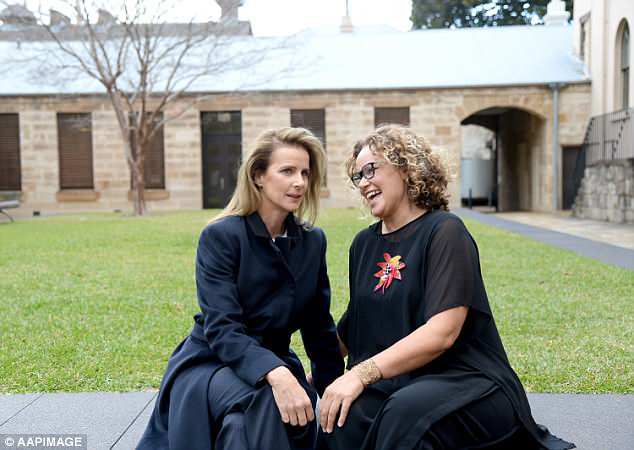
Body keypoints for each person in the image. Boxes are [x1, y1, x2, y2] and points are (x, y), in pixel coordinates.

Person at [319, 125, 575, 450]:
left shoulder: (445, 231)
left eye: (372, 169)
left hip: (466, 379)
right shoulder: (363, 244)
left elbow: (442, 333)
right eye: (358, 175)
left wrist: (359, 374)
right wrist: (309, 371)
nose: (364, 181)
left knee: (404, 414)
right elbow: (356, 322)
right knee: (343, 418)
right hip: (402, 381)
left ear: (406, 167)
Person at [137, 127, 344, 450]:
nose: (300, 182)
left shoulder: (312, 242)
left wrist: (335, 391)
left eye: (305, 172)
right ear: (258, 176)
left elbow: (319, 328)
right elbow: (223, 329)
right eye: (287, 171)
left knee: (238, 428)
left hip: (274, 361)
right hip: (210, 362)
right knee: (266, 400)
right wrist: (277, 373)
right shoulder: (222, 236)